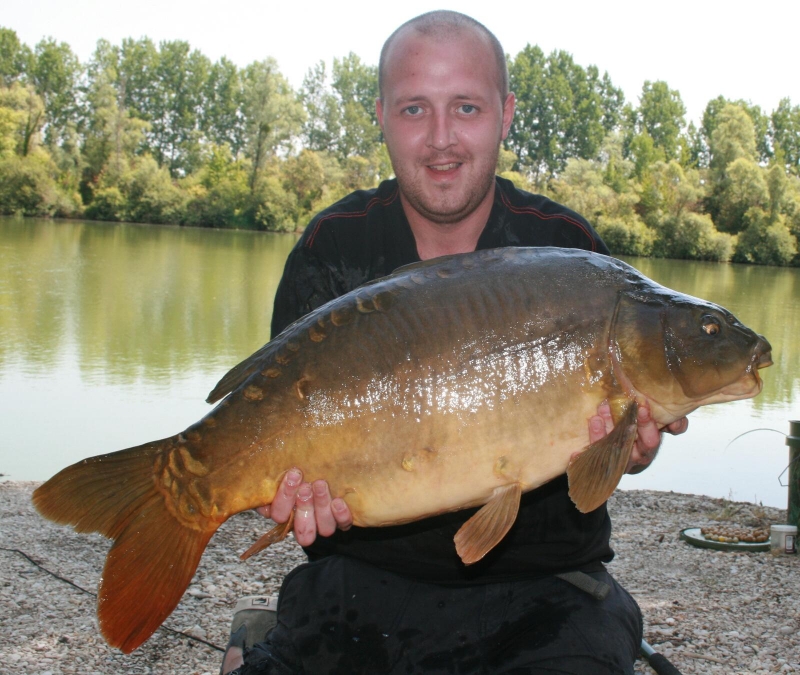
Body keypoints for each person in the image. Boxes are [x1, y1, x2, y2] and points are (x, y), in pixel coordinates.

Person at [222, 10, 688, 675]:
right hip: (361, 578)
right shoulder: (333, 248)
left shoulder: (570, 251)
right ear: (381, 114)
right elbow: (283, 426)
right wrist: (297, 497)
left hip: (548, 590)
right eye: (415, 109)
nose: (441, 139)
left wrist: (630, 450)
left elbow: (600, 472)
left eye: (466, 107)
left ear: (505, 114)